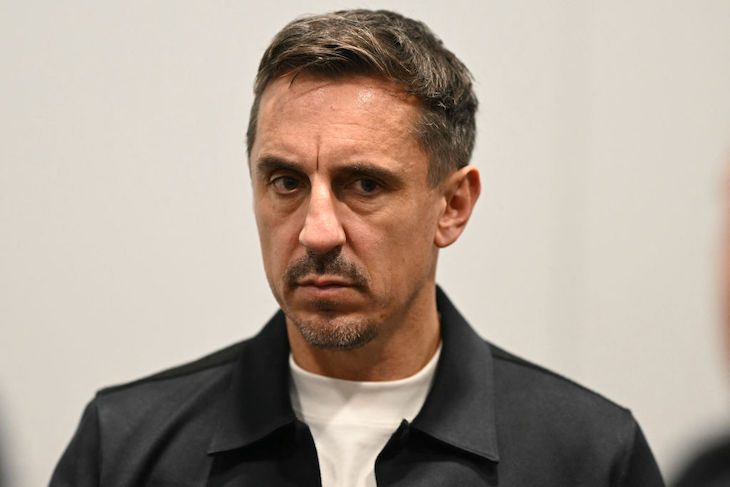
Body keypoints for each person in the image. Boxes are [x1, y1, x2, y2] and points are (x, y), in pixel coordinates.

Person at [50, 9, 665, 487]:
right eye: (286, 182)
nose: (317, 232)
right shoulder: (125, 446)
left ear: (452, 206)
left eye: (364, 185)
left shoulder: (588, 455)